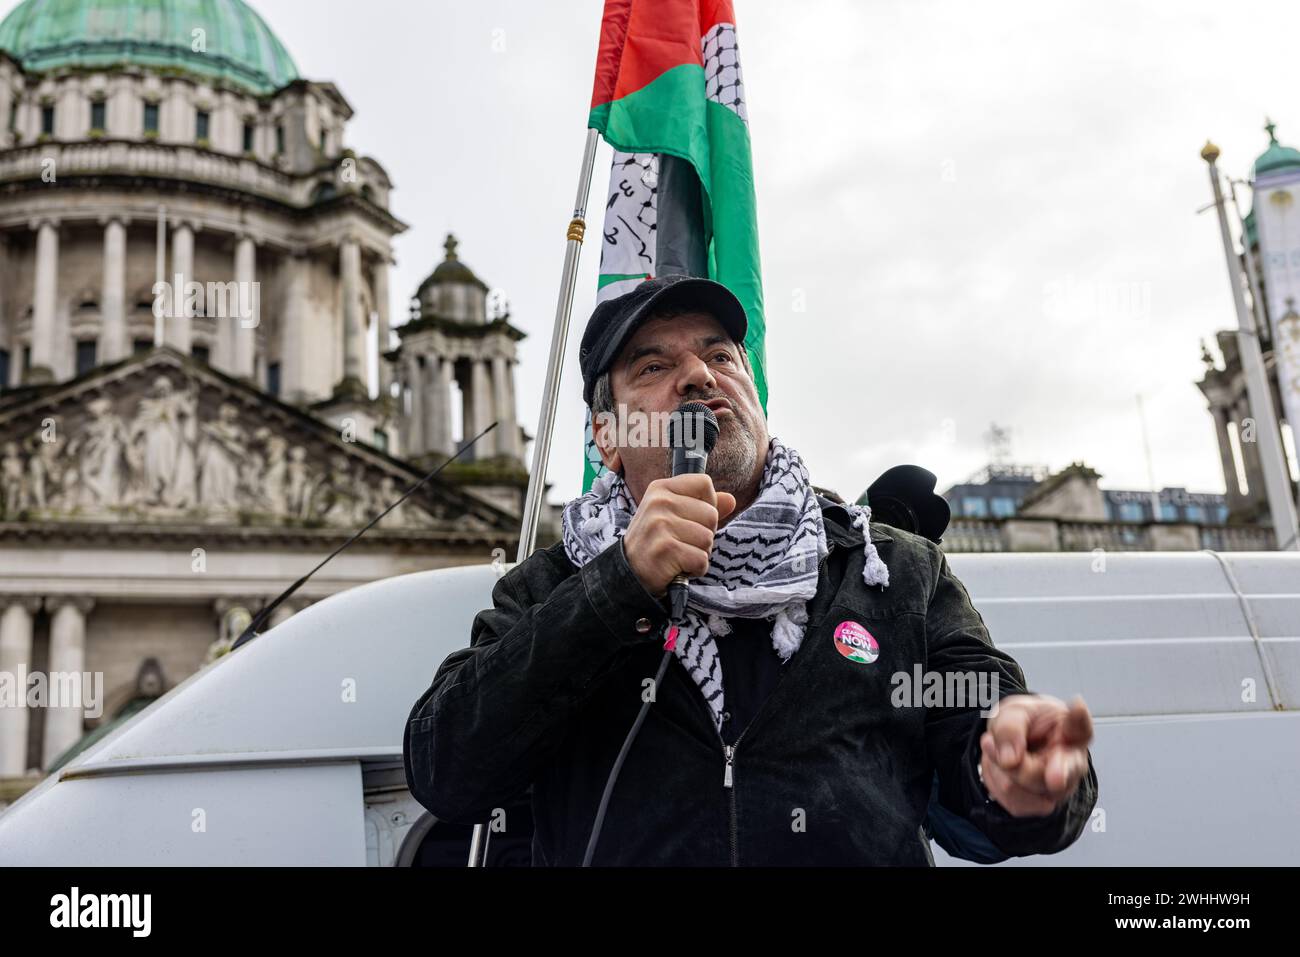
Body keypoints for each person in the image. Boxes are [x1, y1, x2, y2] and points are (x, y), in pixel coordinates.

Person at [404, 275, 1098, 866]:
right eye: (651, 367)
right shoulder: (553, 586)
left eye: (720, 355)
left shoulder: (892, 570)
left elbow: (979, 722)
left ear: (755, 396)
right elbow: (445, 766)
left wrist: (1018, 767)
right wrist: (619, 585)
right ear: (608, 437)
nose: (699, 375)